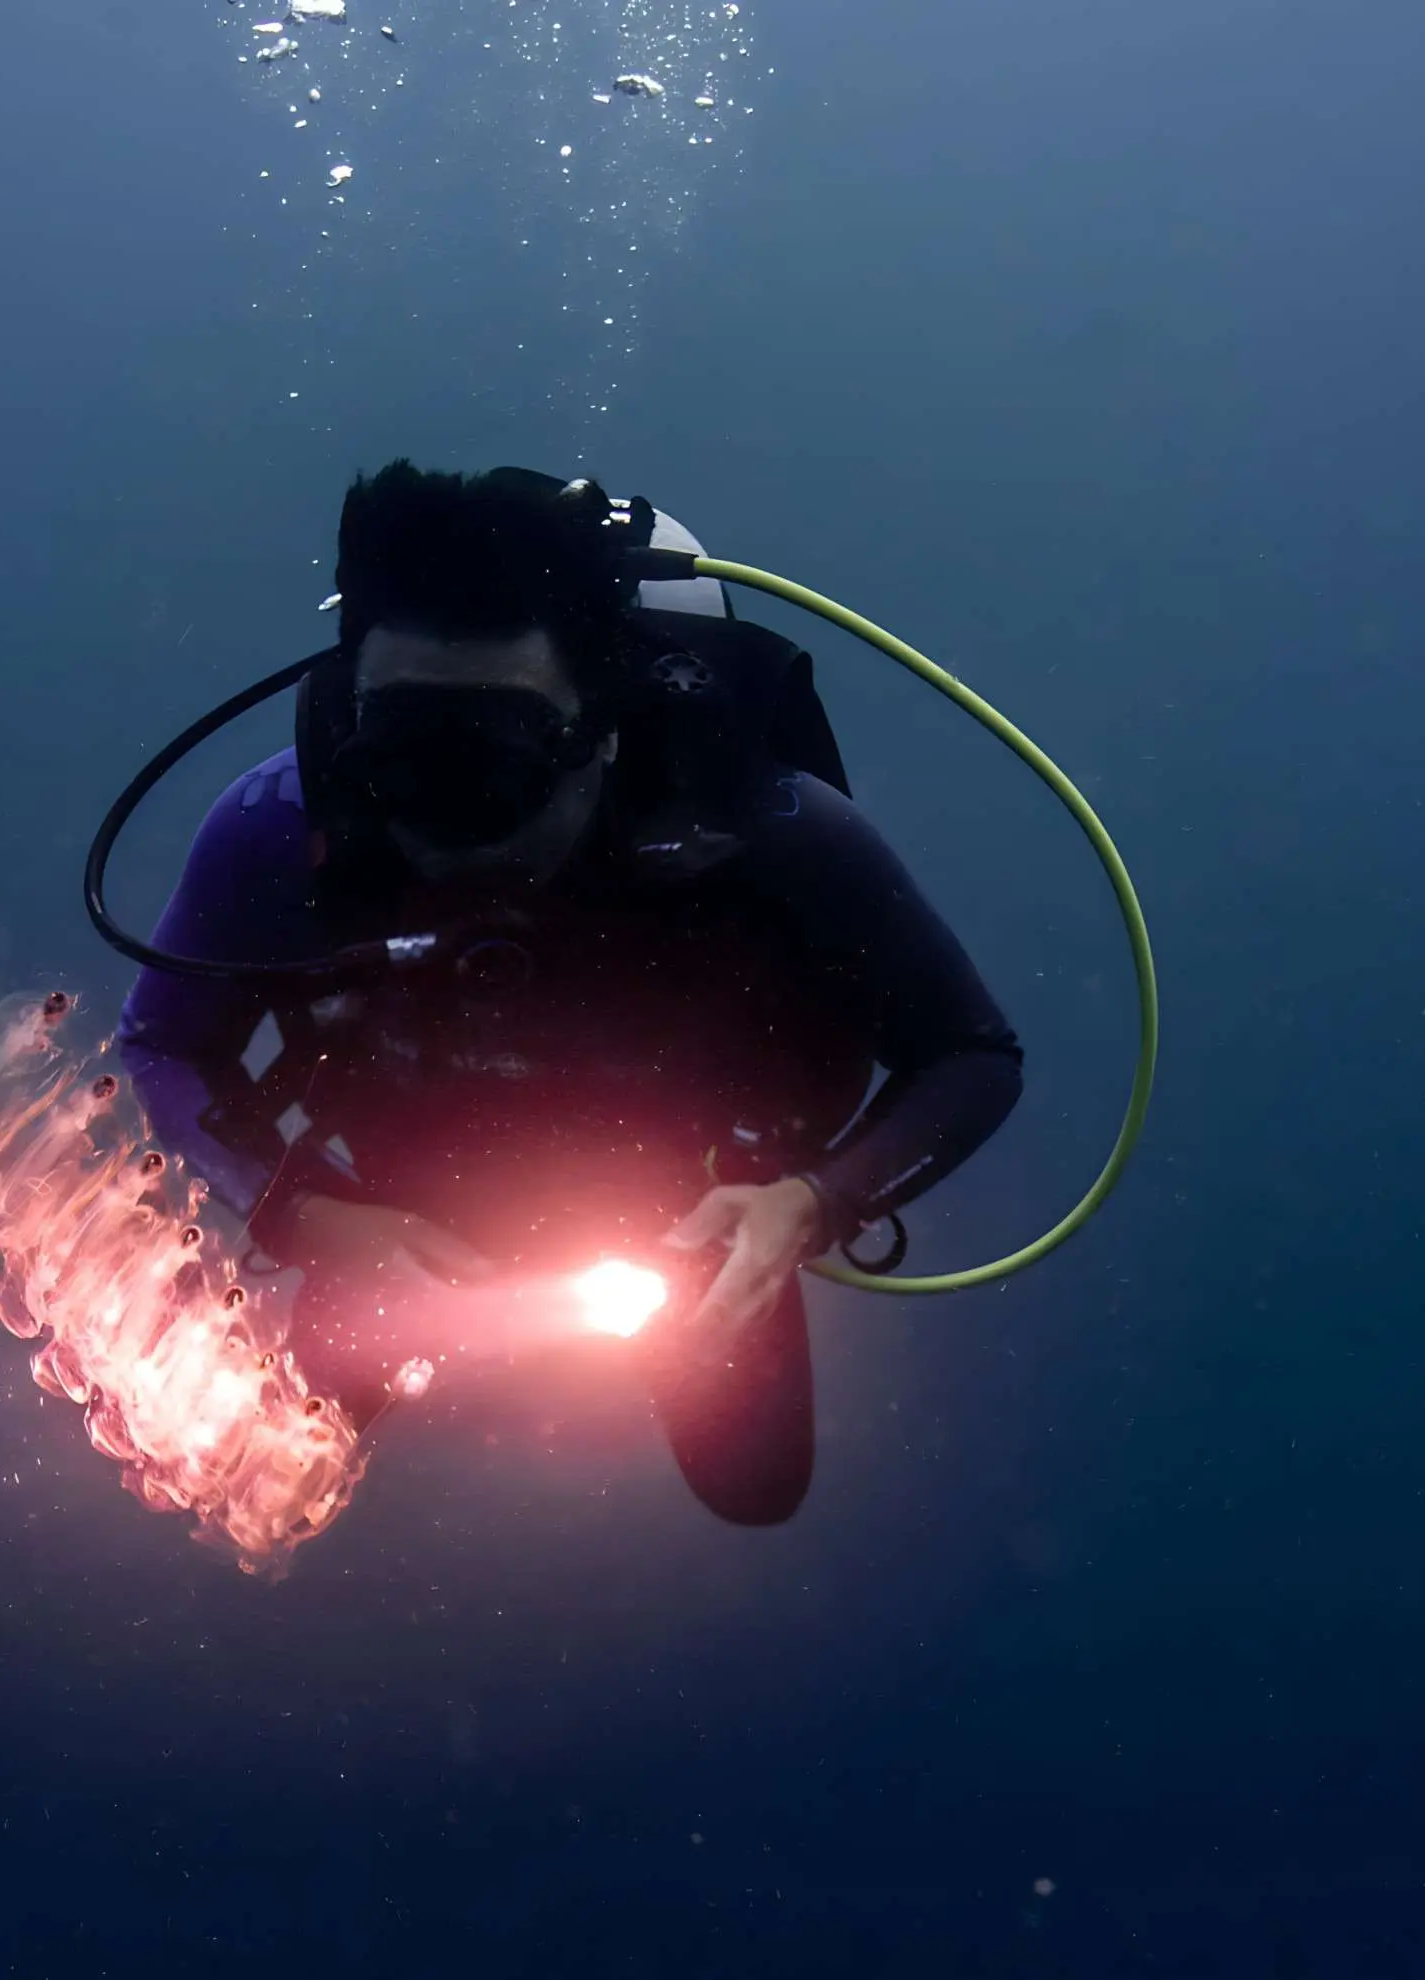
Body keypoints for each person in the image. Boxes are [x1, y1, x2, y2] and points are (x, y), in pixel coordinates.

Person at [116, 463, 1023, 1526]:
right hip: (388, 1209)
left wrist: (808, 1204)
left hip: (688, 1217)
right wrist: (305, 1216)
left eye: (497, 760)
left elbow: (971, 1054)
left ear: (606, 729)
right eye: (403, 755)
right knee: (264, 1479)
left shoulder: (768, 830)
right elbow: (162, 1044)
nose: (446, 815)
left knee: (755, 1489)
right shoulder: (278, 825)